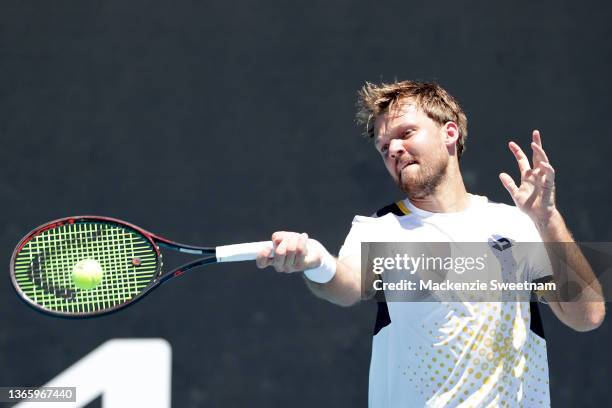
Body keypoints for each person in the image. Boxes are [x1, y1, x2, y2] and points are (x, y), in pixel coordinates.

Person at [255, 80, 605, 407]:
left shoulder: (517, 225)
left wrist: (547, 220)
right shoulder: (380, 229)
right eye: (383, 146)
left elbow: (587, 315)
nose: (393, 148)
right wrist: (318, 263)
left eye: (406, 133)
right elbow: (345, 286)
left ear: (449, 132)